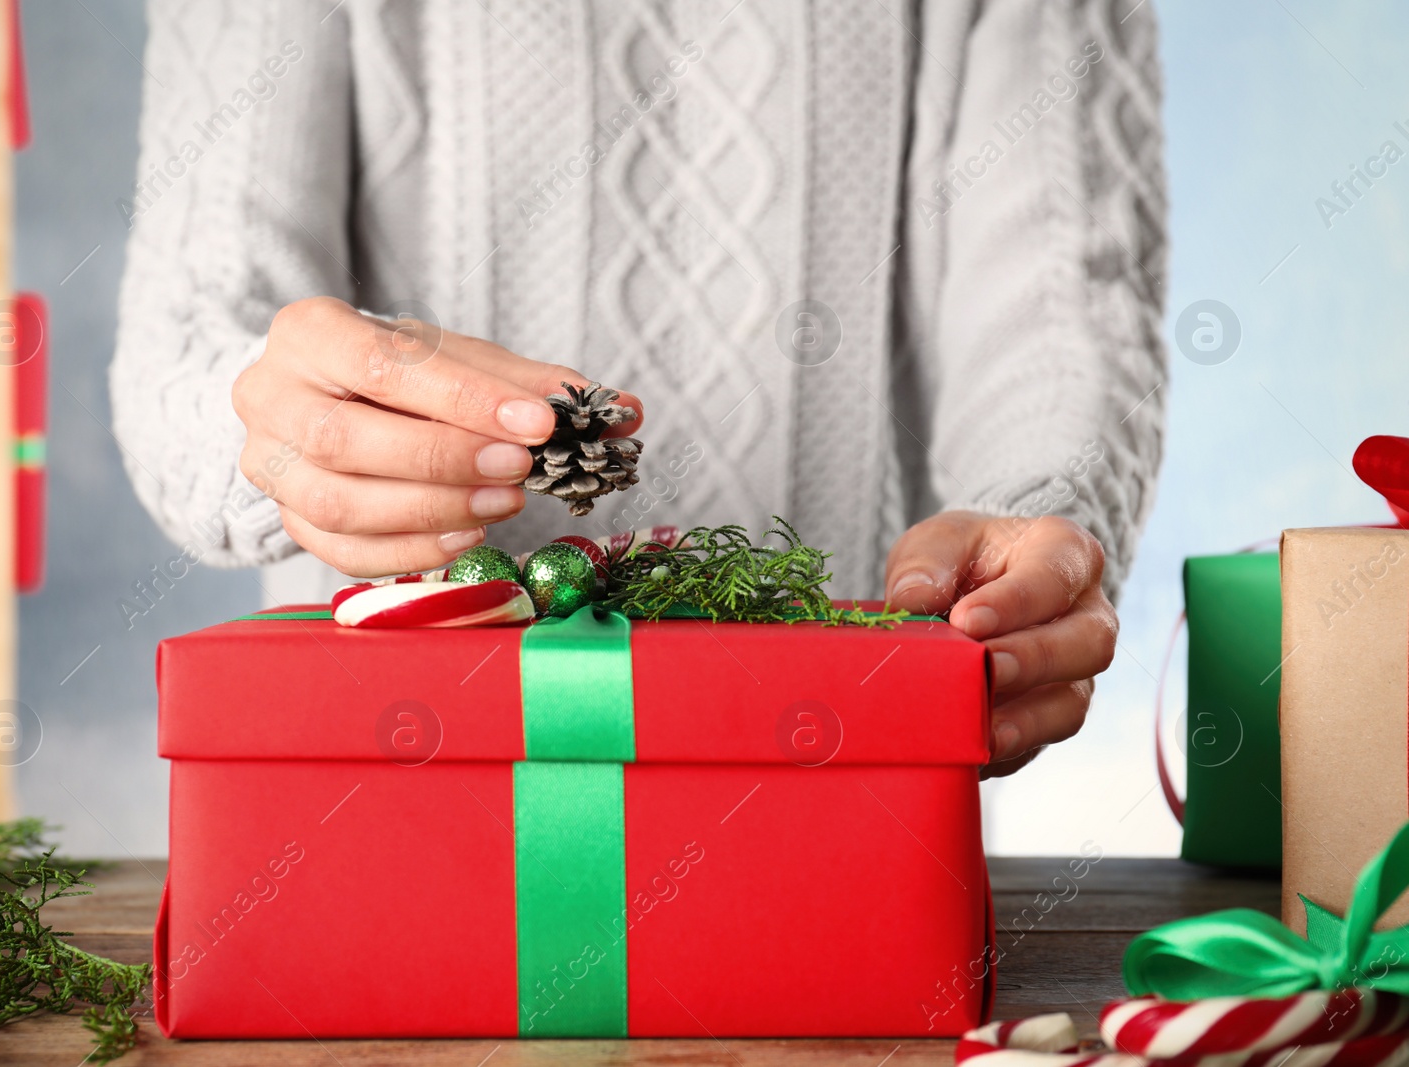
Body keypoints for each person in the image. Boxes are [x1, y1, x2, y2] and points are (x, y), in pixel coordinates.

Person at [111, 0, 1167, 777]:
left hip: (827, 768)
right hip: (375, 773)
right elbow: (189, 342)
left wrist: (1039, 517)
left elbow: (1060, 297)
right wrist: (277, 423)